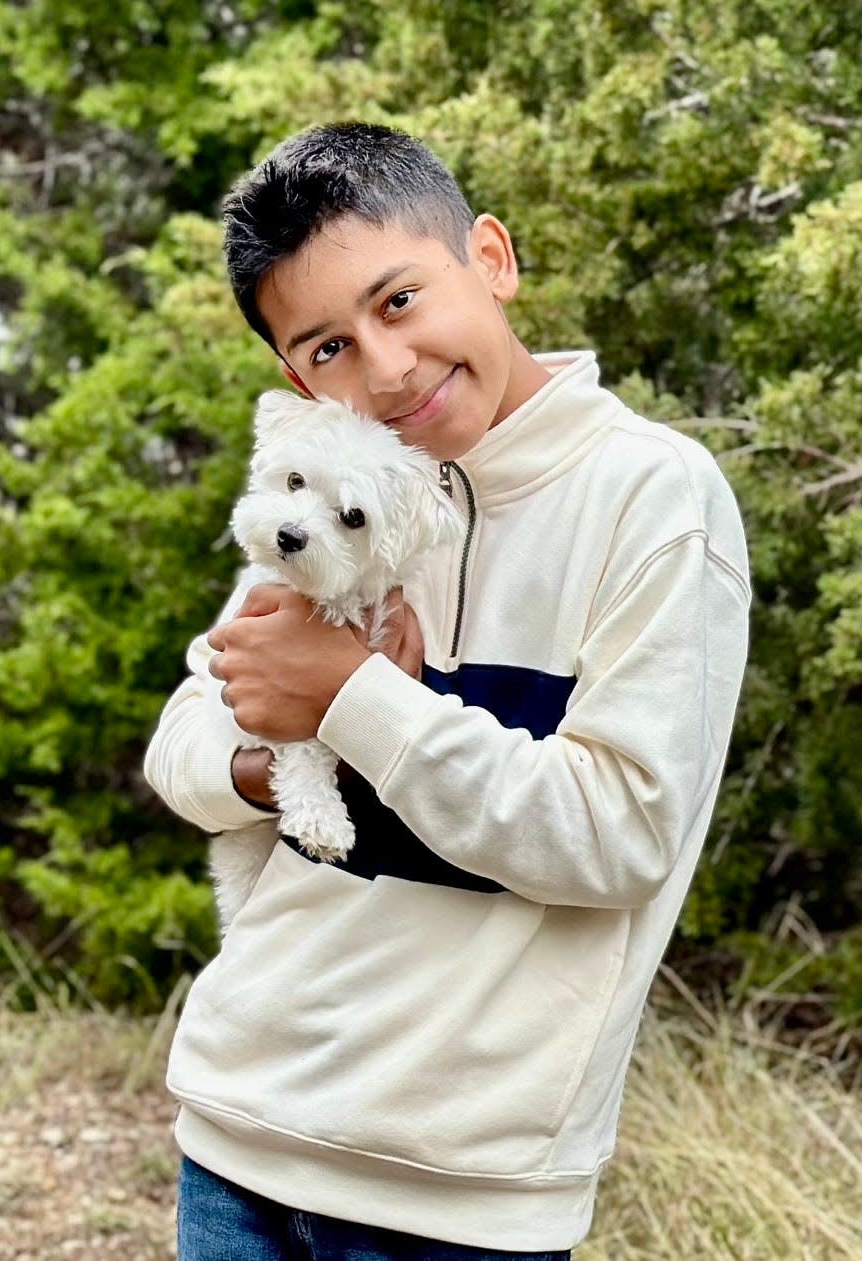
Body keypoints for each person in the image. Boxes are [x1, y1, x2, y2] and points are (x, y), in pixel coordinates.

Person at [143, 122, 750, 1261]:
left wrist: (352, 697)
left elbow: (622, 833)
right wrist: (266, 758)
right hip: (235, 1136)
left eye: (400, 300)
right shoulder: (330, 493)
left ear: (491, 259)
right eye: (324, 346)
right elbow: (186, 746)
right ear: (293, 375)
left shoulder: (653, 499)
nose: (383, 366)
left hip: (456, 1192)